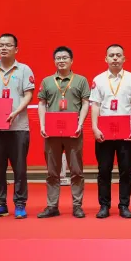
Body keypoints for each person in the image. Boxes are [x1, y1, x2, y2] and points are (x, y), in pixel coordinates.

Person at [0, 33, 36, 219]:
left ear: (16, 49)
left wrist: (16, 112)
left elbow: (28, 95)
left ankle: (20, 204)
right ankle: (0, 204)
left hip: (18, 127)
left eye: (8, 45)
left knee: (19, 168)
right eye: (1, 45)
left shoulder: (24, 70)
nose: (3, 48)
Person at [36, 46, 90, 219]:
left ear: (71, 60)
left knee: (77, 171)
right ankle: (52, 206)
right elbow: (42, 104)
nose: (61, 60)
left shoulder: (81, 80)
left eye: (65, 57)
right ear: (54, 61)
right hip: (52, 133)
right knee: (52, 172)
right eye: (58, 58)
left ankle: (77, 206)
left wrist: (80, 124)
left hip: (74, 132)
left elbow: (85, 103)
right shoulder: (47, 81)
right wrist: (42, 125)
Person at [89, 44, 131, 219]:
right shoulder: (98, 79)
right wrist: (95, 127)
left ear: (124, 58)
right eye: (111, 55)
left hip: (125, 132)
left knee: (126, 170)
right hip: (104, 132)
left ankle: (124, 205)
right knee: (104, 170)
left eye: (118, 55)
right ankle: (104, 205)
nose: (115, 58)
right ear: (106, 58)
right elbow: (95, 105)